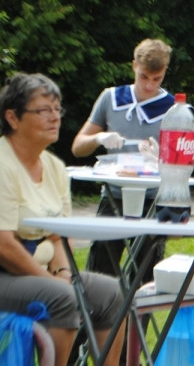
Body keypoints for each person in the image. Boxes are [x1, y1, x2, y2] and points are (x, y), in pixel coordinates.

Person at [0, 73, 126, 366]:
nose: (55, 118)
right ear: (13, 118)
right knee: (61, 297)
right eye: (44, 110)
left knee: (110, 293)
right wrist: (52, 282)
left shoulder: (55, 168)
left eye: (58, 110)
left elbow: (59, 236)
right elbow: (4, 245)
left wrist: (64, 276)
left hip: (39, 270)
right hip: (5, 273)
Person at [72, 38, 175, 279]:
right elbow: (78, 147)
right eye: (143, 77)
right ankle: (99, 318)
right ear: (133, 67)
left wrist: (162, 158)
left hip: (152, 199)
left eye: (156, 79)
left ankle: (135, 319)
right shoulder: (110, 98)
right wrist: (99, 138)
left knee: (145, 279)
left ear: (164, 73)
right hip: (113, 196)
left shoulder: (173, 108)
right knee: (99, 273)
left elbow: (183, 163)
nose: (149, 86)